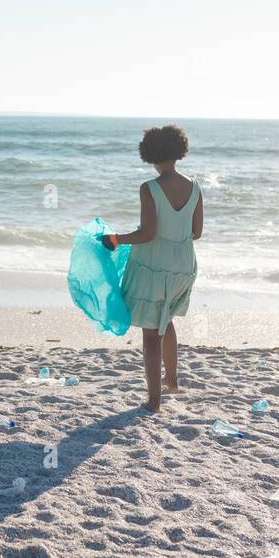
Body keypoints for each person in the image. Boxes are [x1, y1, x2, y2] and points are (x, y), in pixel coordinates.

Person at [103, 124, 202, 414]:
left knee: (150, 334)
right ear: (179, 150)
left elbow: (147, 233)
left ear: (149, 153)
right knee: (165, 319)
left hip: (153, 268)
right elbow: (196, 231)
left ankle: (154, 401)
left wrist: (116, 240)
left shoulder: (150, 188)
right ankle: (171, 382)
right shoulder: (195, 187)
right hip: (183, 266)